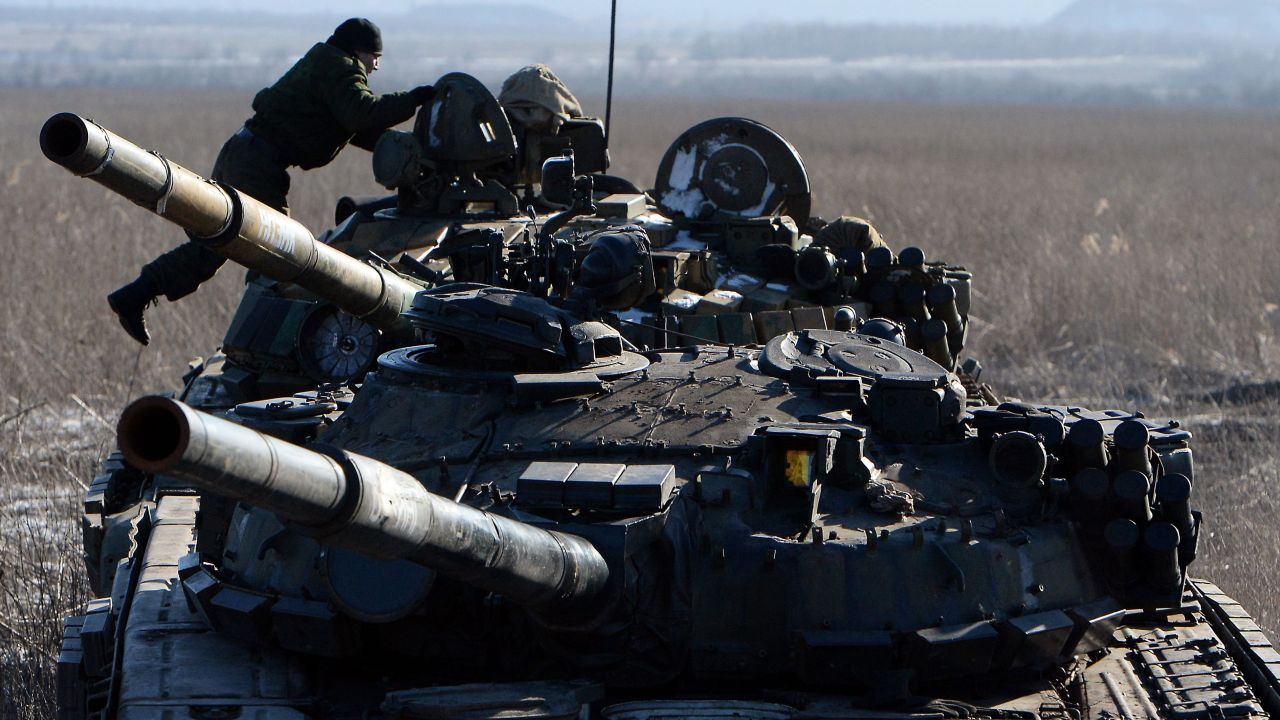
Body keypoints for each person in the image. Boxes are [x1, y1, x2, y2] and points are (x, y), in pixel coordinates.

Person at [107, 17, 435, 345]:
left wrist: (405, 151)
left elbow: (356, 127)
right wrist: (414, 99)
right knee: (278, 251)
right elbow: (362, 113)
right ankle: (265, 339)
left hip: (245, 153)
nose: (376, 66)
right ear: (358, 51)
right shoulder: (340, 67)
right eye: (374, 57)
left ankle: (136, 295)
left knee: (223, 243)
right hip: (256, 163)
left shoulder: (324, 63)